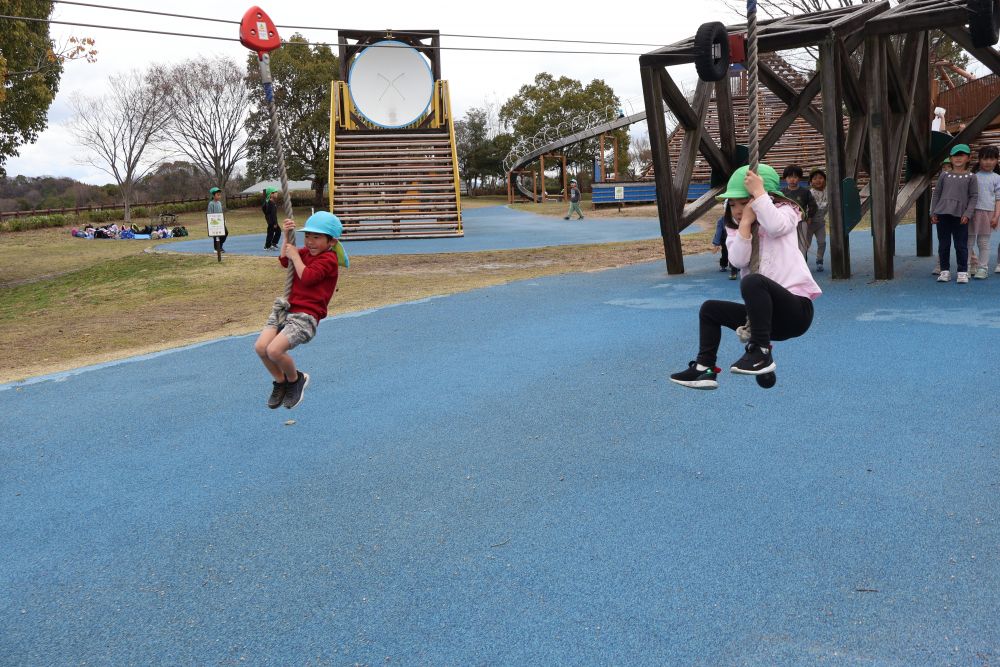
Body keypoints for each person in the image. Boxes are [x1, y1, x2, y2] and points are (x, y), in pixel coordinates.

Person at [669, 164, 821, 390]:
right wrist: (746, 225)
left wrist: (759, 195)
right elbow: (739, 260)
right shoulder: (738, 228)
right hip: (768, 322)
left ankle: (760, 351)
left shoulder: (786, 211)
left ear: (766, 198)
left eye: (743, 202)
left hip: (796, 311)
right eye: (732, 204)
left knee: (753, 282)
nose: (738, 210)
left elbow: (776, 226)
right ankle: (705, 368)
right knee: (710, 309)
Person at [253, 211, 348, 410]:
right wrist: (287, 236)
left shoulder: (328, 260)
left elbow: (308, 277)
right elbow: (284, 261)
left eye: (317, 237)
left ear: (331, 242)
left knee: (274, 350)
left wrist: (296, 256)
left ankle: (296, 379)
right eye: (307, 236)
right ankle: (280, 382)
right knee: (261, 348)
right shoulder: (304, 252)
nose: (310, 242)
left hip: (305, 316)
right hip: (286, 310)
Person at [931, 144, 978, 283]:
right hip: (942, 214)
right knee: (944, 244)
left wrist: (968, 214)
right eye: (955, 155)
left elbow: (974, 196)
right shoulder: (944, 175)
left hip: (961, 216)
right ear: (950, 159)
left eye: (962, 155)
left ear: (968, 158)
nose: (958, 158)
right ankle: (944, 271)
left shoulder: (971, 177)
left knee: (961, 245)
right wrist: (933, 212)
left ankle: (962, 271)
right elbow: (937, 194)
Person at [968, 145, 1000, 278]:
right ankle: (967, 267)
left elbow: (998, 199)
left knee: (983, 242)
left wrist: (996, 216)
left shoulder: (997, 178)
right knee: (968, 242)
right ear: (979, 160)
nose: (988, 162)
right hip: (971, 213)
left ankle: (983, 268)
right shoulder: (972, 176)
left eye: (992, 159)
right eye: (985, 159)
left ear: (997, 160)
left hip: (988, 214)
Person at [780, 164, 817, 258]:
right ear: (785, 179)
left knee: (802, 244)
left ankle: (803, 263)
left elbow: (813, 205)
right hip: (787, 223)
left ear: (799, 178)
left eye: (795, 177)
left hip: (801, 222)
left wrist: (810, 217)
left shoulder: (805, 192)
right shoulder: (781, 193)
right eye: (789, 177)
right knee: (786, 243)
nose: (792, 180)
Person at [807, 168, 829, 272]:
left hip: (820, 223)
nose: (818, 180)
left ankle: (819, 260)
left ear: (824, 180)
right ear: (811, 182)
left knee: (822, 242)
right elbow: (815, 207)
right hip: (809, 223)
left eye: (820, 178)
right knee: (806, 244)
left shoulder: (827, 192)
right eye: (815, 178)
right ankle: (802, 261)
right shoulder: (810, 193)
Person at [711, 209, 738, 279]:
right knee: (725, 253)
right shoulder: (721, 220)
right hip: (725, 239)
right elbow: (718, 232)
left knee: (735, 253)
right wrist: (716, 243)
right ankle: (723, 265)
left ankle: (735, 267)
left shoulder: (738, 218)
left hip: (736, 239)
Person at [207, 187, 227, 253]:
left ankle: (220, 246)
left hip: (220, 222)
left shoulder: (219, 203)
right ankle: (216, 248)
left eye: (219, 195)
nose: (219, 196)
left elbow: (221, 212)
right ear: (213, 195)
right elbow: (209, 214)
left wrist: (223, 220)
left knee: (225, 233)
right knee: (216, 236)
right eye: (217, 195)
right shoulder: (211, 204)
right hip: (214, 223)